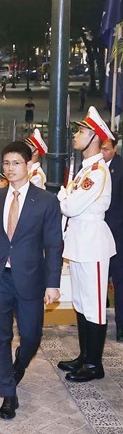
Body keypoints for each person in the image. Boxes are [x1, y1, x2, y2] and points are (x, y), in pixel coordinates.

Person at [0, 141, 63, 420]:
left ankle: (21, 362)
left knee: (32, 336)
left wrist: (53, 283)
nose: (10, 169)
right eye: (6, 163)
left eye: (16, 163)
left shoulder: (46, 201)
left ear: (29, 166)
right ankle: (8, 395)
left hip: (31, 279)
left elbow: (54, 245)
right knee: (0, 337)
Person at [57, 107, 116, 382]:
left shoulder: (97, 173)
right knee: (81, 303)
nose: (76, 135)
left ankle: (95, 364)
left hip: (92, 242)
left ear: (95, 137)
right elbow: (70, 203)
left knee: (93, 305)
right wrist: (67, 197)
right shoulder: (86, 170)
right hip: (80, 240)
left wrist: (65, 196)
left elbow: (70, 205)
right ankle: (84, 356)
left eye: (81, 131)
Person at [102, 135, 123, 342]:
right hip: (99, 237)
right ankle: (99, 325)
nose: (103, 153)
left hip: (118, 236)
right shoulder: (92, 168)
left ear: (114, 149)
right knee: (98, 283)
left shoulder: (120, 168)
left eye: (107, 149)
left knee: (120, 282)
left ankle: (121, 327)